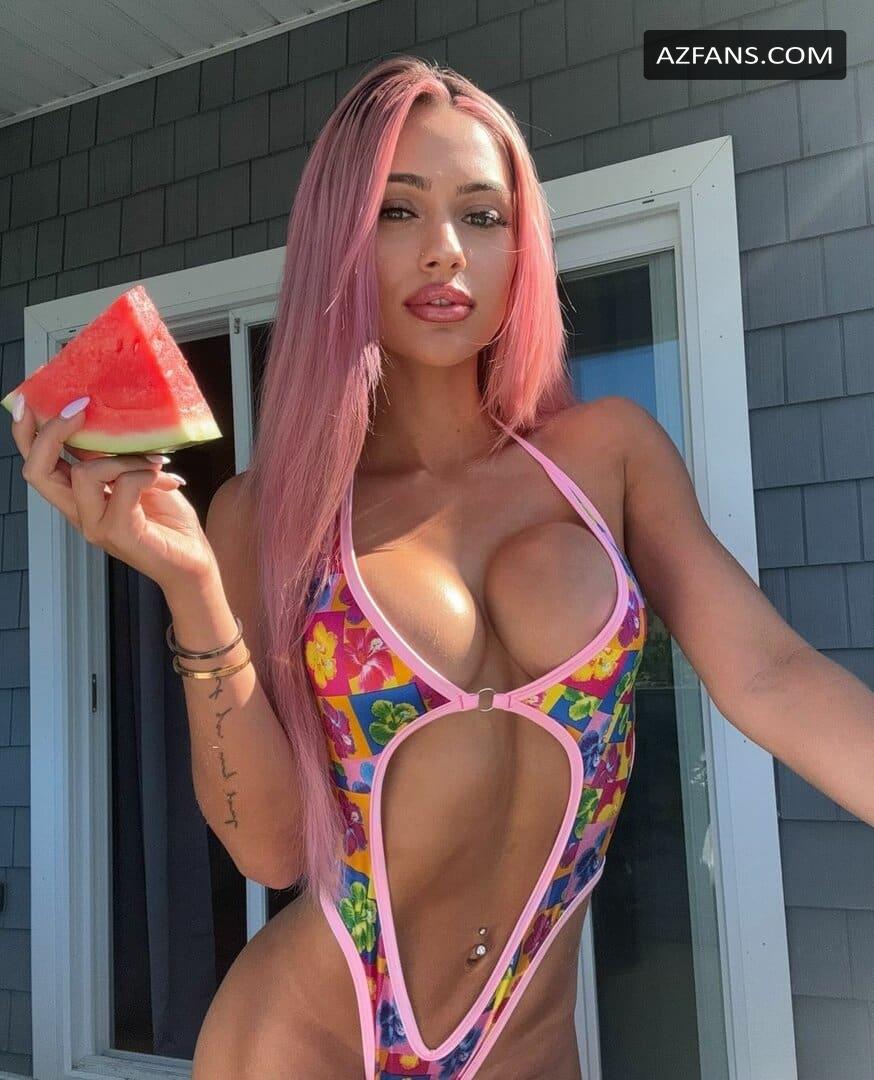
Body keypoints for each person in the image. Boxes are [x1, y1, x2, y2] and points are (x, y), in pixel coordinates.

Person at [12, 55, 874, 1080]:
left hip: (527, 1044)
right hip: (310, 1034)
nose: (444, 250)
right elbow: (270, 852)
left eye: (481, 214)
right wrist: (191, 586)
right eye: (397, 211)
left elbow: (770, 675)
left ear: (520, 247)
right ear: (339, 240)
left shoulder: (608, 455)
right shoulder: (269, 513)